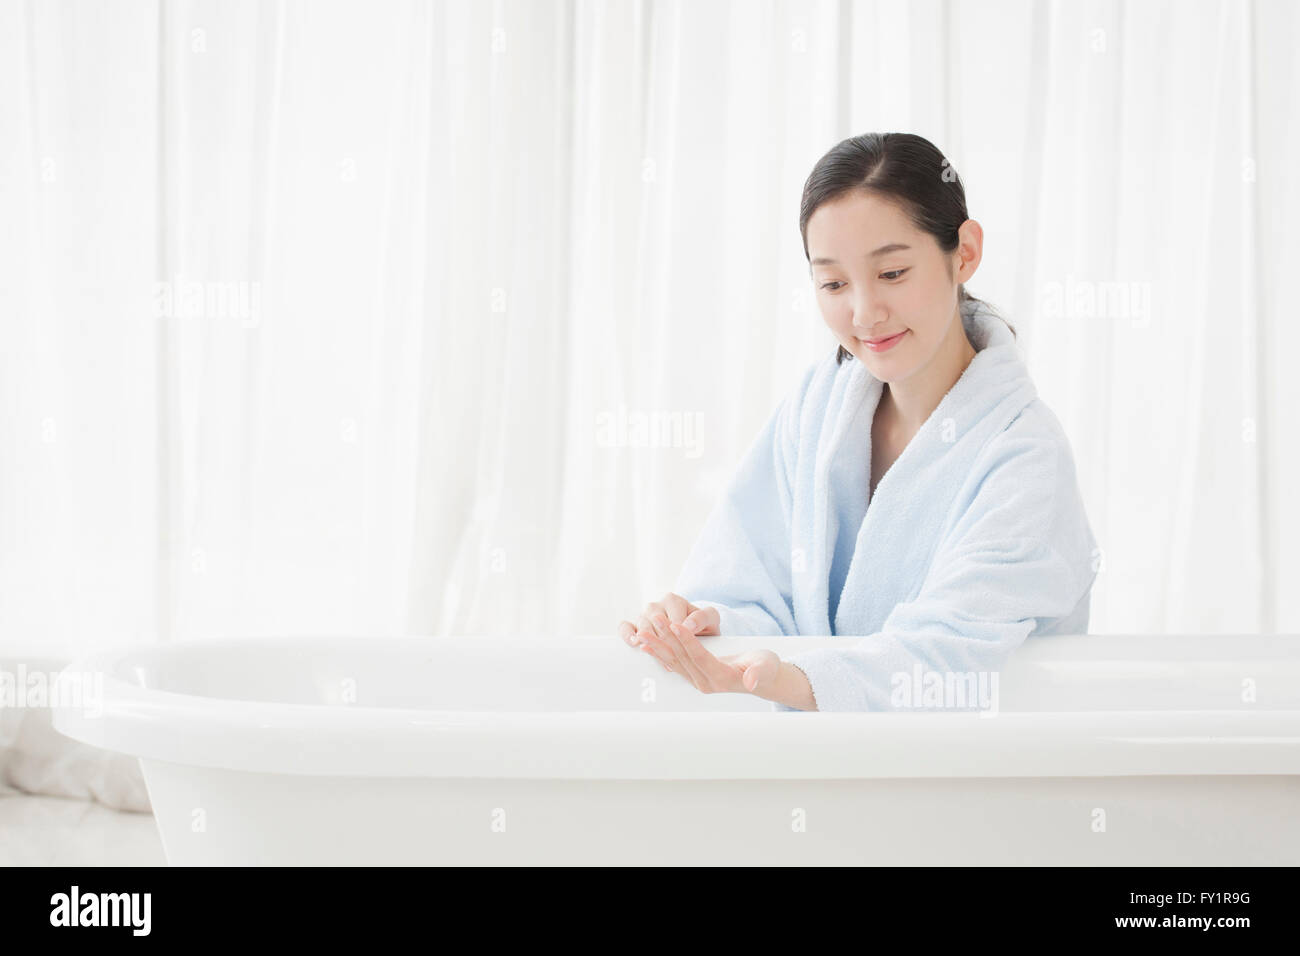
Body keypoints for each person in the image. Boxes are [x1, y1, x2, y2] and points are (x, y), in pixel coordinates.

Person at [616, 132, 1099, 712]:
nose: (864, 313)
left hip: (978, 781)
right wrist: (705, 622)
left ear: (964, 252)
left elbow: (948, 655)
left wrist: (791, 681)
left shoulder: (1024, 457)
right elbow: (757, 584)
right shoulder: (818, 408)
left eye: (892, 273)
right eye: (834, 284)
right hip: (833, 774)